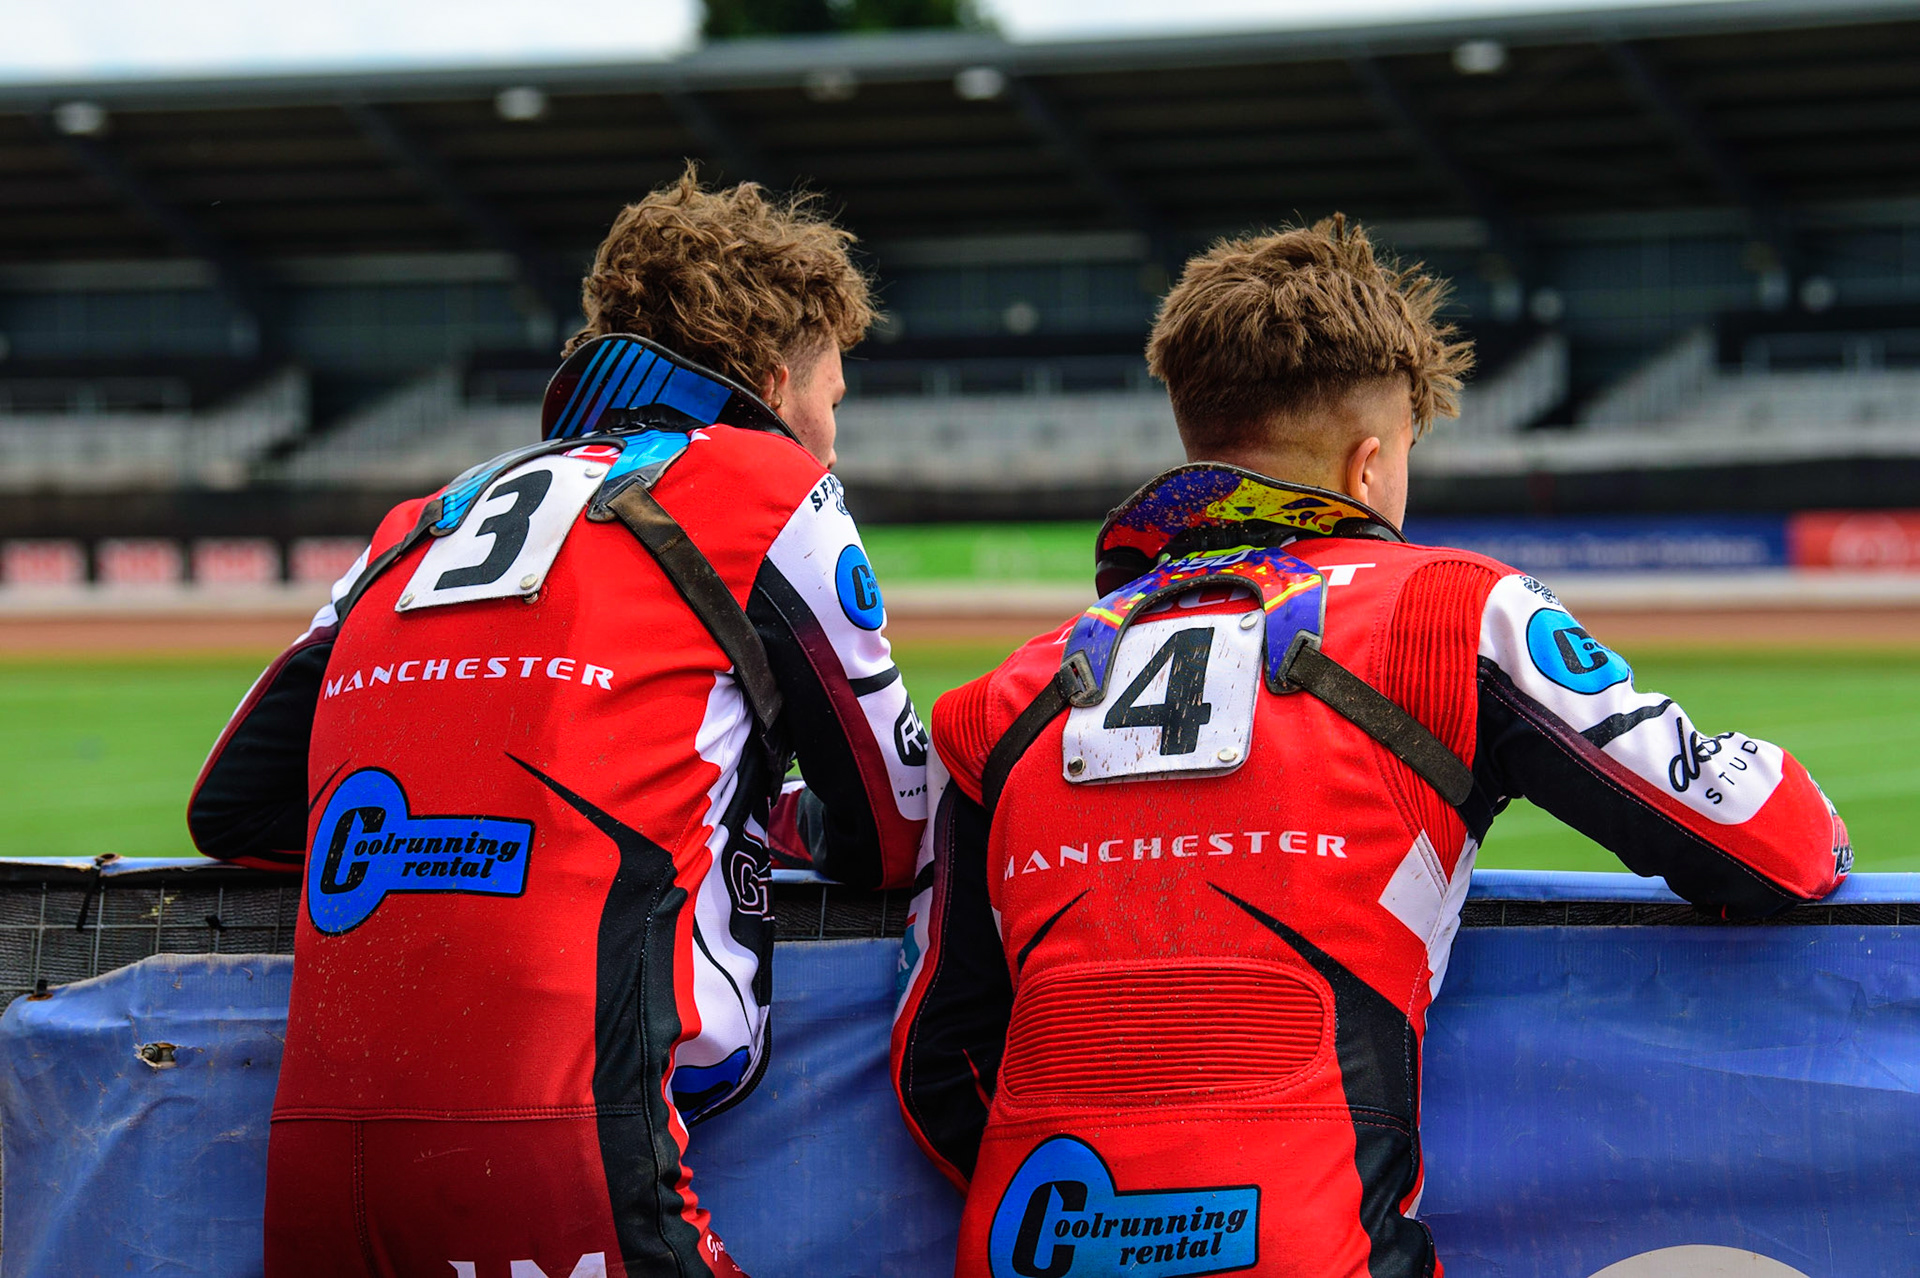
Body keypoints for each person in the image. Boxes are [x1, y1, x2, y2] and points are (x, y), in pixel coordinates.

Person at [890, 216, 1850, 1277]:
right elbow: (1771, 849)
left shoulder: (996, 701)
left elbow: (940, 1064)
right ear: (1372, 462)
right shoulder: (1455, 613)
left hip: (1034, 1241)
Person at [189, 167, 928, 1278]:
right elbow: (895, 825)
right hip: (573, 1133)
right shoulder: (770, 485)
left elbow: (233, 806)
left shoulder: (425, 514)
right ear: (778, 384)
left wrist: (457, 828)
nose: (833, 442)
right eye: (833, 402)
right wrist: (766, 818)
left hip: (316, 1159)